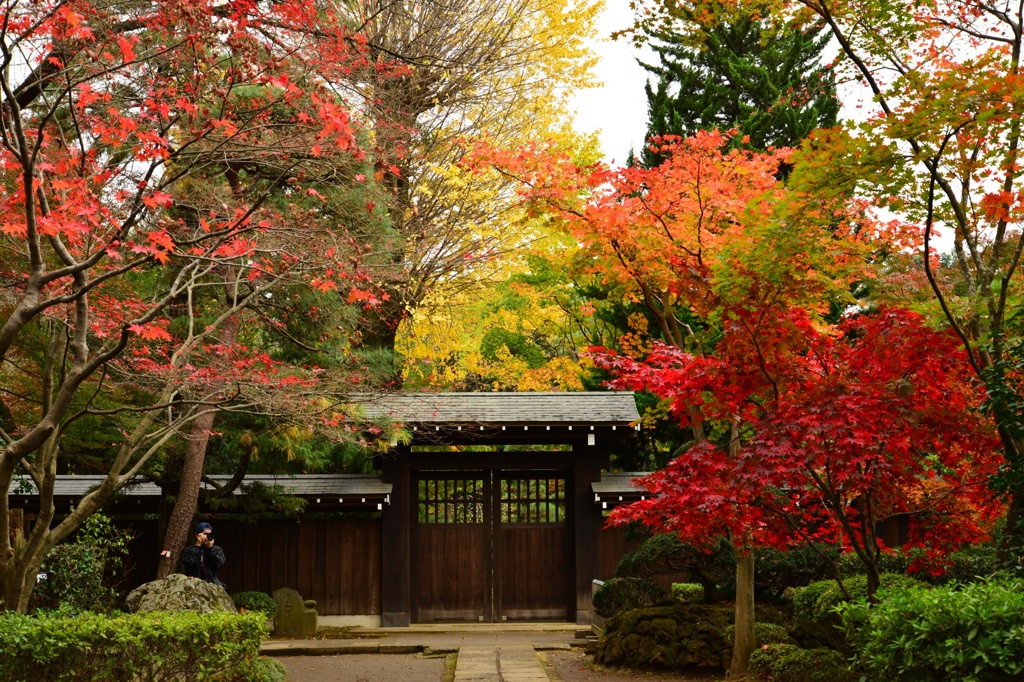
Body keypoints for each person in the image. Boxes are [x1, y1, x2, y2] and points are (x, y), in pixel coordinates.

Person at [179, 521, 226, 588]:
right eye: (205, 534)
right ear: (197, 535)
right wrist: (198, 546)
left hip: (213, 586)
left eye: (210, 534)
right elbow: (188, 562)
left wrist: (210, 548)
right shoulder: (189, 550)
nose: (208, 536)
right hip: (194, 585)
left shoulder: (217, 550)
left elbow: (219, 563)